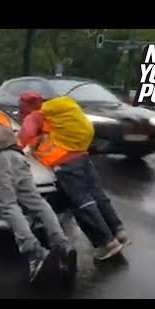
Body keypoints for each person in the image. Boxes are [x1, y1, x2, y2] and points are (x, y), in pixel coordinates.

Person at [0, 90, 77, 283]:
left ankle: (33, 251)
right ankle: (62, 245)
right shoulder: (0, 114)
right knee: (36, 202)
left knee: (9, 205)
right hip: (18, 157)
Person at [18, 91, 131, 261]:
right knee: (98, 195)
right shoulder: (58, 115)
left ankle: (107, 243)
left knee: (82, 203)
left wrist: (15, 147)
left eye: (21, 109)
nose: (20, 113)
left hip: (65, 163)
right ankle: (119, 231)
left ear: (25, 106)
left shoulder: (36, 116)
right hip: (82, 156)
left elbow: (26, 133)